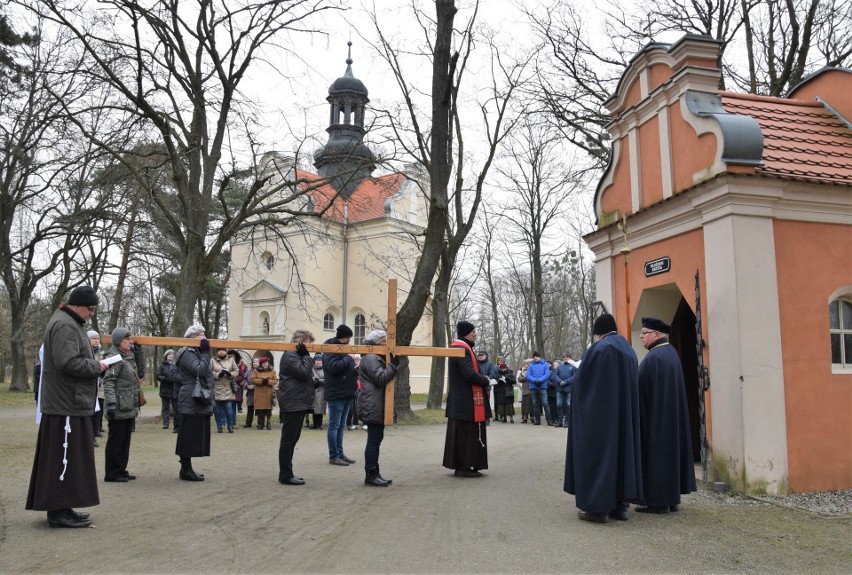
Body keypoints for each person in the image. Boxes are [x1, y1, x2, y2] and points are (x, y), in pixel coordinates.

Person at [26, 285, 108, 528]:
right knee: (63, 458)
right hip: (66, 404)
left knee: (70, 458)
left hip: (68, 402)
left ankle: (64, 507)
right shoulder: (64, 325)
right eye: (90, 309)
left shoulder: (68, 322)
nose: (92, 314)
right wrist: (98, 367)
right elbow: (67, 362)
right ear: (77, 305)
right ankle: (58, 511)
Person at [564, 313, 643, 524]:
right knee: (622, 455)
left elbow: (582, 383)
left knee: (600, 457)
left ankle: (598, 509)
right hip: (623, 416)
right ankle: (621, 506)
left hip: (601, 418)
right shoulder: (628, 349)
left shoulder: (599, 349)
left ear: (598, 333)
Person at [636, 317, 697, 513]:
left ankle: (659, 502)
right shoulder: (669, 353)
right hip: (668, 419)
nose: (641, 336)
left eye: (644, 333)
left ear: (656, 334)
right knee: (670, 457)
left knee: (659, 458)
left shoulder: (656, 357)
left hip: (657, 421)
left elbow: (641, 389)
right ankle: (671, 498)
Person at [443, 321, 491, 478]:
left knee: (466, 433)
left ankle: (469, 464)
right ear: (465, 334)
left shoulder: (461, 348)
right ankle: (463, 466)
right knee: (465, 434)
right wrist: (485, 380)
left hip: (462, 400)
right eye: (473, 332)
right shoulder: (461, 349)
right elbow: (469, 374)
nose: (475, 334)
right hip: (464, 401)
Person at [357, 330, 399, 486]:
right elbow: (380, 379)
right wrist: (393, 367)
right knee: (374, 441)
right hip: (372, 404)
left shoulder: (376, 357)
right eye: (384, 341)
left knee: (376, 439)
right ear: (376, 344)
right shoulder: (370, 358)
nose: (387, 344)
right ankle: (371, 474)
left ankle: (375, 473)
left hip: (375, 403)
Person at [173, 324, 214, 482]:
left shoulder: (195, 352)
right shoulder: (187, 353)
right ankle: (185, 470)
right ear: (192, 338)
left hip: (196, 398)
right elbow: (199, 371)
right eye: (200, 335)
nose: (204, 338)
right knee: (187, 436)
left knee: (192, 435)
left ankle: (187, 469)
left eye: (204, 334)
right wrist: (206, 353)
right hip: (191, 398)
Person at [102, 327, 141, 482]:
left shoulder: (129, 357)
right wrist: (111, 403)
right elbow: (108, 382)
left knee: (125, 441)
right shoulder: (114, 358)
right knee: (116, 441)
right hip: (118, 405)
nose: (130, 342)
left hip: (129, 405)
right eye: (127, 339)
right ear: (119, 341)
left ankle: (121, 469)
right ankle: (112, 473)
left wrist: (139, 352)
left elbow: (141, 372)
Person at [277, 330, 316, 485]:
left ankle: (287, 472)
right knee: (288, 440)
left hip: (296, 401)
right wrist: (307, 357)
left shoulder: (295, 355)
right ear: (300, 342)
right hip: (293, 402)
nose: (310, 347)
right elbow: (303, 372)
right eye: (308, 343)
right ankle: (285, 474)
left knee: (292, 439)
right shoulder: (290, 355)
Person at [322, 324, 358, 466]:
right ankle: (334, 455)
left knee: (341, 426)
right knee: (334, 426)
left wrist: (355, 370)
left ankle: (340, 453)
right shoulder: (330, 349)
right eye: (348, 339)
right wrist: (349, 359)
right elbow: (333, 367)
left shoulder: (341, 349)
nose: (349, 342)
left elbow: (343, 368)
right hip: (336, 393)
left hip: (346, 392)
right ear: (343, 338)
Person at [211, 348, 238, 433]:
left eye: (223, 350)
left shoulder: (231, 360)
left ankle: (230, 426)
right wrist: (219, 374)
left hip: (228, 387)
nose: (221, 352)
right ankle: (219, 426)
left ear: (226, 352)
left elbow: (237, 370)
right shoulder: (212, 360)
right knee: (217, 409)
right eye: (219, 350)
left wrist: (230, 374)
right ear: (217, 352)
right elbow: (208, 371)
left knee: (229, 408)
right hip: (216, 387)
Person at [251, 356, 278, 430]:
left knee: (268, 410)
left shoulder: (272, 371)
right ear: (261, 364)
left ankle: (268, 423)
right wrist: (262, 381)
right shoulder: (256, 371)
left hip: (269, 392)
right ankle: (260, 424)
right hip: (259, 393)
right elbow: (253, 379)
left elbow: (275, 380)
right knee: (260, 410)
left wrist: (268, 382)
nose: (265, 364)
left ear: (268, 363)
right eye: (263, 363)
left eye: (266, 363)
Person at [88, 330, 105, 445]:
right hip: (89, 387)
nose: (96, 341)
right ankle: (89, 436)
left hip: (99, 386)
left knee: (98, 411)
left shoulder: (100, 353)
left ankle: (95, 431)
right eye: (94, 338)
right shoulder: (86, 352)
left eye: (98, 339)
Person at [526, 351, 552, 426]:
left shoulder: (545, 364)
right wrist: (534, 380)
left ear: (539, 357)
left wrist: (540, 380)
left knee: (545, 403)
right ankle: (537, 420)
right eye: (534, 357)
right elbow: (528, 375)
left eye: (536, 357)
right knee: (535, 404)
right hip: (533, 386)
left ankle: (549, 420)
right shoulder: (531, 365)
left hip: (542, 386)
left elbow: (547, 374)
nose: (535, 358)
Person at [554, 353, 577, 428]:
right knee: (558, 405)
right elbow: (555, 375)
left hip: (568, 389)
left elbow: (574, 376)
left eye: (567, 357)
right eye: (564, 357)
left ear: (570, 358)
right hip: (559, 388)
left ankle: (567, 421)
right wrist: (559, 381)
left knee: (568, 405)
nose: (565, 358)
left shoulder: (573, 366)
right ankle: (560, 421)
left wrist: (566, 381)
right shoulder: (559, 366)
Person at [157, 349, 177, 430]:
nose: (171, 356)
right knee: (165, 408)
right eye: (169, 355)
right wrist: (164, 379)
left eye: (172, 354)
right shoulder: (161, 366)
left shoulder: (175, 365)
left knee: (175, 408)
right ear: (166, 356)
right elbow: (158, 375)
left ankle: (176, 423)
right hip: (165, 389)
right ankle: (165, 423)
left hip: (174, 389)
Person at [311, 353, 326, 430]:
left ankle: (319, 424)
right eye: (317, 360)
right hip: (314, 389)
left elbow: (327, 380)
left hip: (322, 390)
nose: (318, 362)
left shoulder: (325, 369)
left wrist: (319, 380)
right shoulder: (312, 368)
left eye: (320, 360)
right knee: (314, 407)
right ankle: (314, 424)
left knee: (320, 407)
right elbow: (310, 377)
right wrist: (314, 380)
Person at [243, 357, 259, 428]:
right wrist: (247, 385)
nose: (255, 363)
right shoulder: (249, 371)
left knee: (259, 409)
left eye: (257, 362)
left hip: (259, 392)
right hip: (250, 393)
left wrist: (255, 386)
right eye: (254, 362)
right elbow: (244, 380)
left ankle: (260, 423)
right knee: (250, 409)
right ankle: (248, 423)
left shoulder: (261, 371)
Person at [230, 350, 247, 414]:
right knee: (230, 405)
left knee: (238, 400)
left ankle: (239, 409)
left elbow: (242, 375)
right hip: (228, 386)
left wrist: (235, 379)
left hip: (238, 385)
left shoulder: (242, 366)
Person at [518, 358, 532, 423]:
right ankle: (525, 417)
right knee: (524, 405)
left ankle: (532, 417)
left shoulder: (533, 370)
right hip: (524, 390)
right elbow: (519, 379)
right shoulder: (522, 371)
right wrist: (524, 377)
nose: (526, 365)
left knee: (530, 404)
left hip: (531, 389)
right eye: (526, 364)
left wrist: (528, 377)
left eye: (528, 364)